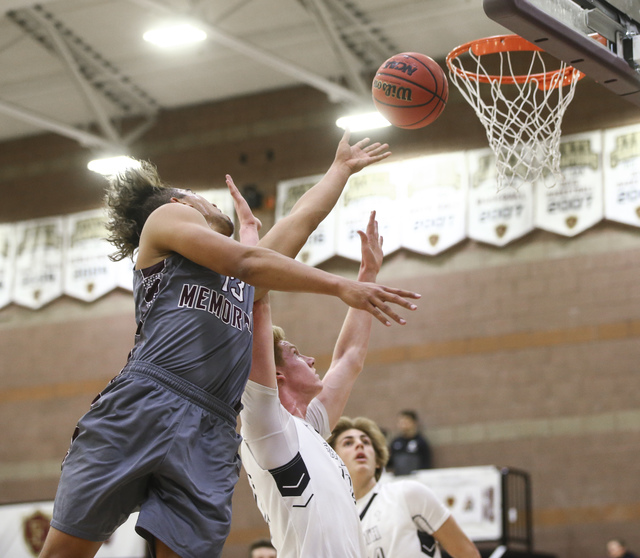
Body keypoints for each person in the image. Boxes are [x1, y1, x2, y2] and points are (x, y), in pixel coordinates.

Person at [38, 131, 420, 558]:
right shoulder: (165, 218)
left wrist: (340, 171)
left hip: (213, 427)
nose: (212, 202)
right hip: (149, 399)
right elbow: (246, 259)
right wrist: (340, 286)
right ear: (180, 203)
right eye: (200, 197)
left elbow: (299, 221)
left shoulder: (243, 285)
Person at [239, 211, 388, 558]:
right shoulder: (267, 425)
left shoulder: (311, 427)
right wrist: (249, 239)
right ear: (276, 375)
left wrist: (367, 275)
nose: (310, 360)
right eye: (295, 353)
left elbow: (350, 357)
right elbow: (256, 305)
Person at [328, 416, 481, 558]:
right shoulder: (334, 524)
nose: (359, 445)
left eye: (366, 442)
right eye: (348, 443)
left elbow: (466, 552)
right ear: (333, 461)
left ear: (378, 462)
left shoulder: (407, 493)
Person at [388, 409, 433, 475]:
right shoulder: (395, 442)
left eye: (406, 422)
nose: (403, 425)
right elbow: (389, 462)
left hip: (415, 479)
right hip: (399, 479)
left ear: (413, 423)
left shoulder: (420, 442)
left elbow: (426, 463)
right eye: (401, 422)